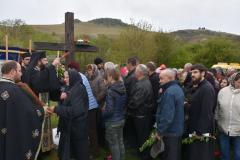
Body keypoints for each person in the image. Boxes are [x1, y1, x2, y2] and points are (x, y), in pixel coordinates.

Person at [0, 61, 45, 160]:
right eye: (19, 71)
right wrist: (43, 110)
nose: (21, 73)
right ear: (12, 72)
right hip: (11, 136)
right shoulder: (15, 91)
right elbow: (29, 112)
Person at [22, 51, 61, 153]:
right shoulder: (32, 71)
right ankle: (38, 149)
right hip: (36, 103)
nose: (47, 61)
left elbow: (47, 81)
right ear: (38, 61)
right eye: (44, 60)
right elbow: (39, 83)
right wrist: (52, 66)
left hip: (42, 102)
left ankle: (45, 147)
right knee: (37, 126)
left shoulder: (38, 70)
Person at [47, 69, 89, 160]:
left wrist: (56, 109)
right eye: (64, 77)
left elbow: (76, 110)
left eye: (67, 77)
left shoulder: (78, 89)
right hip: (69, 126)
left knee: (80, 153)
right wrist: (62, 99)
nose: (65, 79)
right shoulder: (71, 87)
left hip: (77, 127)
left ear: (73, 77)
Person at [68, 62, 100, 159]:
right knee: (89, 129)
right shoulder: (79, 76)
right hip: (89, 106)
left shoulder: (79, 77)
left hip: (90, 106)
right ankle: (91, 148)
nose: (68, 71)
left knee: (91, 130)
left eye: (69, 69)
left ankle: (95, 152)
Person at [187, 64, 215, 160]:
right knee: (194, 153)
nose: (192, 75)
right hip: (194, 126)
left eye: (195, 72)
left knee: (201, 154)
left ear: (203, 73)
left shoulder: (207, 88)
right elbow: (196, 106)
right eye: (191, 72)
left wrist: (199, 133)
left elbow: (206, 113)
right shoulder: (198, 86)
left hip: (201, 130)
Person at [156, 69, 184, 160]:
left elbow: (167, 116)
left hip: (170, 131)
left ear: (169, 78)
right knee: (175, 154)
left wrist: (160, 132)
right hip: (176, 130)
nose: (159, 81)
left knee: (169, 156)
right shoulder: (177, 88)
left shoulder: (169, 92)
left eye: (161, 79)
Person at [128, 64, 154, 160]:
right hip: (143, 114)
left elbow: (135, 103)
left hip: (141, 115)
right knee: (143, 136)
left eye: (135, 71)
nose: (134, 72)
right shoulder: (144, 81)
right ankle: (143, 153)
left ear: (139, 73)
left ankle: (144, 155)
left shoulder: (142, 85)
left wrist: (127, 106)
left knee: (142, 137)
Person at [102, 69, 127, 160]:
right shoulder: (122, 87)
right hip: (121, 119)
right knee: (120, 142)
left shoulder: (111, 91)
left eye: (107, 76)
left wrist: (102, 114)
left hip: (112, 122)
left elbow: (109, 110)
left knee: (114, 145)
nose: (106, 78)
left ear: (111, 77)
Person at [215, 72, 240, 160]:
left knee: (238, 154)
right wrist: (217, 122)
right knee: (224, 154)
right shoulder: (223, 91)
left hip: (238, 130)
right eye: (239, 82)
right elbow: (217, 109)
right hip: (223, 128)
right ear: (233, 81)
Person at [146, 61, 160, 127]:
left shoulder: (155, 78)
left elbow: (155, 93)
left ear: (148, 69)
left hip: (154, 105)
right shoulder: (152, 76)